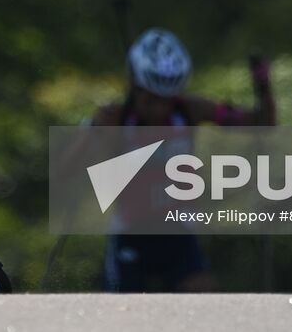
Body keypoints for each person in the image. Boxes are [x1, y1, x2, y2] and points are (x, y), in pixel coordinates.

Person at [90, 27, 275, 292]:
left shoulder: (189, 110)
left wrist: (264, 87)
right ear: (135, 88)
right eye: (150, 100)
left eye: (166, 100)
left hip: (178, 233)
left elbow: (262, 124)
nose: (159, 109)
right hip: (131, 234)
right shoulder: (116, 118)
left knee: (204, 301)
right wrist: (96, 132)